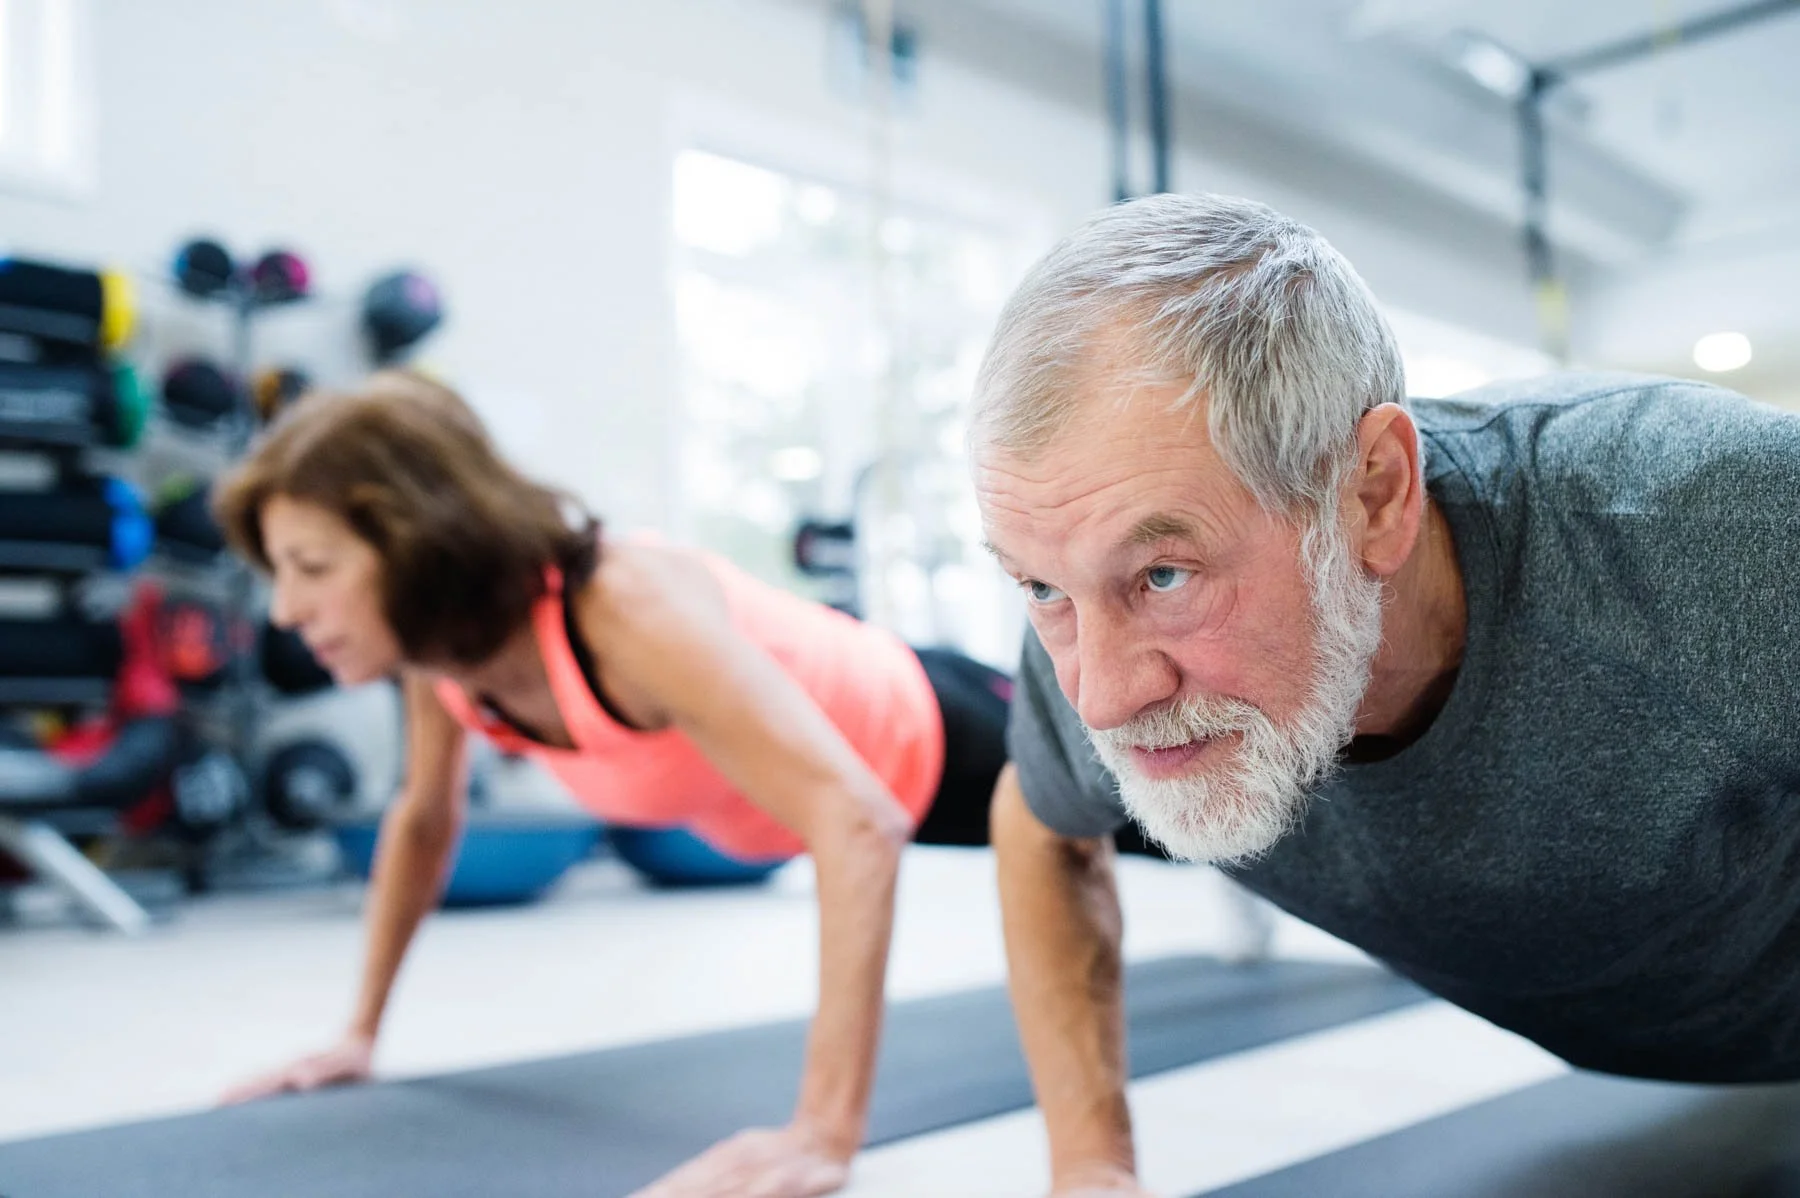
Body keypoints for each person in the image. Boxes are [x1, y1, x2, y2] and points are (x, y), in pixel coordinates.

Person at [971, 192, 1800, 1196]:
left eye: (1165, 575)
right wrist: (1090, 1165)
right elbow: (1039, 823)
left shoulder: (1715, 525)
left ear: (1374, 494)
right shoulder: (1099, 627)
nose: (1100, 695)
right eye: (1043, 588)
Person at [210, 371, 1016, 1198]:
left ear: (416, 542)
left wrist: (823, 1132)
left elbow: (855, 820)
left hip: (943, 730)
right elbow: (424, 816)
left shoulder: (622, 610)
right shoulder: (440, 654)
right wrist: (358, 1034)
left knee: (1150, 829)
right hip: (859, 793)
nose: (284, 611)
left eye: (310, 566)